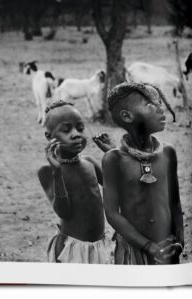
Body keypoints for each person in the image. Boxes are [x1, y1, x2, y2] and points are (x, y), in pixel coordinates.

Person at [102, 82, 184, 265]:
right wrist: (149, 247)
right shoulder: (114, 159)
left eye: (160, 103)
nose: (161, 109)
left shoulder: (168, 152)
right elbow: (112, 214)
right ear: (127, 116)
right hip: (133, 251)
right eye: (150, 104)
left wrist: (179, 242)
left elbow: (175, 203)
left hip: (168, 248)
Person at [38, 100, 110, 264]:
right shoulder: (47, 171)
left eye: (80, 128)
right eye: (66, 129)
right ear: (49, 136)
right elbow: (63, 212)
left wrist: (112, 154)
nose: (76, 134)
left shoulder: (90, 162)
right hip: (72, 250)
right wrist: (57, 172)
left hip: (98, 247)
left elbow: (117, 189)